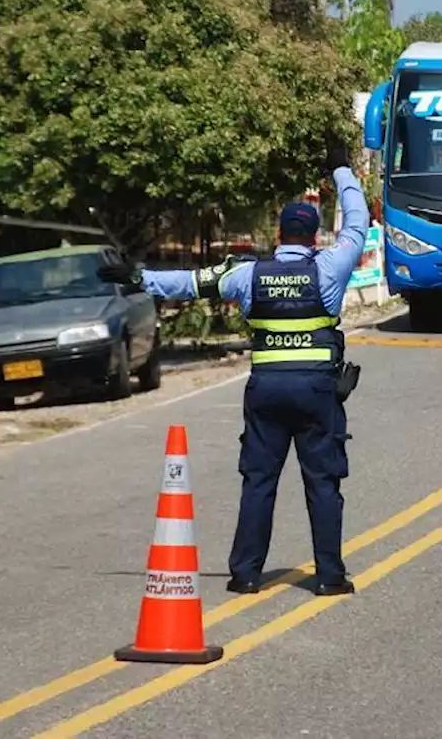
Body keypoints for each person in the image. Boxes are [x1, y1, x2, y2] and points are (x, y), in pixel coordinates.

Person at [97, 141, 366, 596]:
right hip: (317, 391)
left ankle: (244, 574)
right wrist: (342, 170)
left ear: (279, 236)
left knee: (259, 481)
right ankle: (330, 576)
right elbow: (357, 222)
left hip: (266, 389)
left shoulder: (247, 275)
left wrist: (137, 276)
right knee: (322, 482)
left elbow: (191, 282)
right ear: (315, 236)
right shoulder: (330, 267)